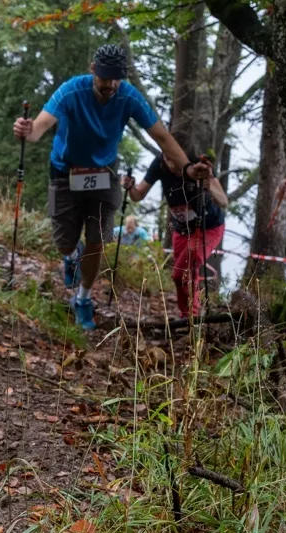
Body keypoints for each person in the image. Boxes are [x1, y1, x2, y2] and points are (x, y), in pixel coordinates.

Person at [13, 45, 206, 329]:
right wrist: (27, 132)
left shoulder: (128, 96)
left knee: (98, 240)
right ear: (93, 70)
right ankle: (71, 256)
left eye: (117, 78)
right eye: (106, 78)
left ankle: (83, 297)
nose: (111, 85)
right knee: (64, 241)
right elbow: (40, 127)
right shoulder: (71, 91)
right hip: (65, 173)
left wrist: (188, 169)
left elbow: (162, 137)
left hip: (104, 175)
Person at [127, 128, 227, 320]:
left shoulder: (198, 167)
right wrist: (130, 187)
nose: (172, 164)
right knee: (183, 274)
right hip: (182, 228)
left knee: (180, 273)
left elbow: (223, 201)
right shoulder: (158, 165)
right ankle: (187, 315)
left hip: (208, 227)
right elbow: (138, 195)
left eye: (176, 160)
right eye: (167, 158)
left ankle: (192, 316)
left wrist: (209, 186)